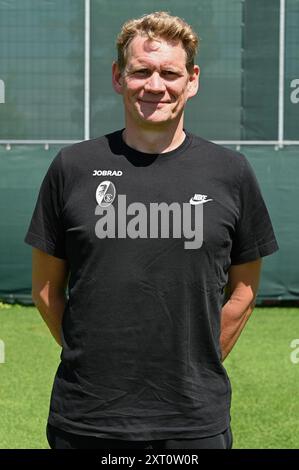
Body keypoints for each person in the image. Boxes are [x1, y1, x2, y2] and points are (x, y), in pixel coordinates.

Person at [24, 11, 279, 450]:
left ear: (192, 79)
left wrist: (198, 363)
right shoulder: (72, 167)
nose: (155, 85)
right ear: (118, 78)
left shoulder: (231, 172)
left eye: (169, 72)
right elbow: (46, 289)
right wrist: (90, 360)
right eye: (141, 71)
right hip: (86, 419)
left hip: (194, 423)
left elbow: (244, 291)